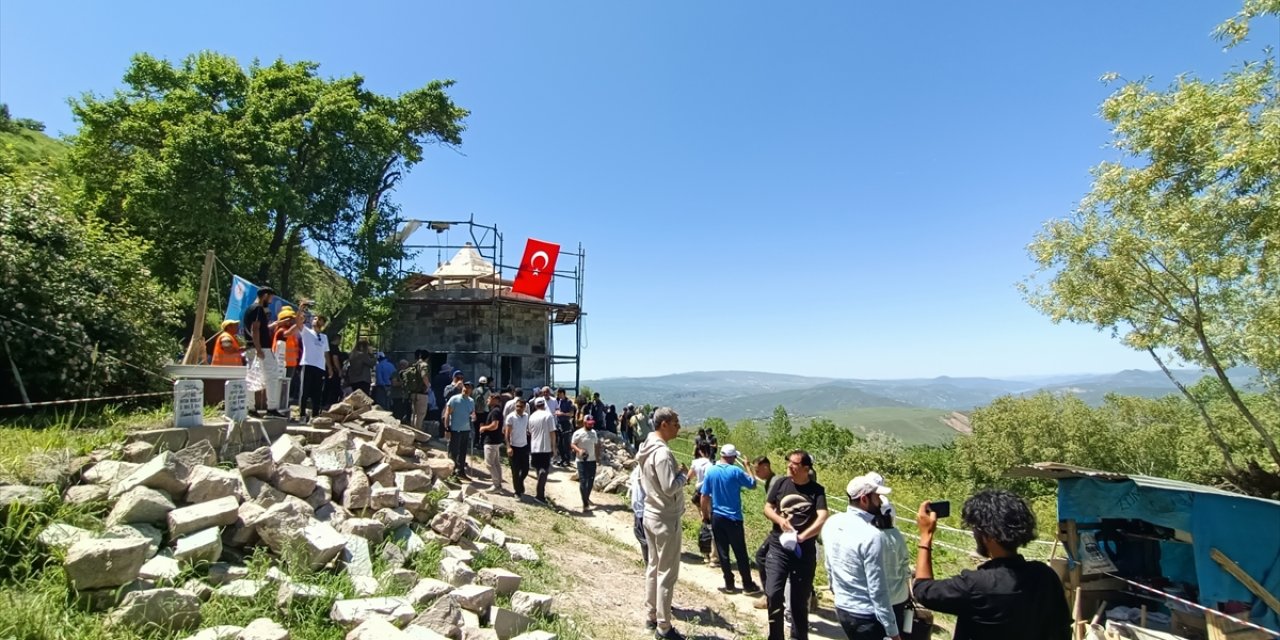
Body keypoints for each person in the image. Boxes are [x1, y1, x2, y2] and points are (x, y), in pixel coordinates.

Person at [912, 490, 1071, 640]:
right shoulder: (1045, 575)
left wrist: (926, 536)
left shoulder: (976, 585)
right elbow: (1062, 627)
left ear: (988, 535)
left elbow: (923, 590)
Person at [823, 474, 901, 640]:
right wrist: (893, 631)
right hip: (867, 615)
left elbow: (829, 565)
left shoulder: (832, 522)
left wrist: (835, 591)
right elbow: (877, 589)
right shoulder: (872, 535)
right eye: (877, 497)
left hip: (843, 607)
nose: (880, 502)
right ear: (864, 499)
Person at [763, 449, 830, 640]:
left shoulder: (817, 491)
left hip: (803, 550)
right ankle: (775, 636)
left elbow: (823, 516)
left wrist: (804, 536)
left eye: (795, 464)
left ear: (806, 468)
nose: (789, 466)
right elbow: (767, 507)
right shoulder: (781, 483)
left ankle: (799, 637)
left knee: (799, 601)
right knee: (773, 592)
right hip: (778, 545)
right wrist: (780, 520)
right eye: (789, 462)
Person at [638, 407, 690, 640]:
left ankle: (651, 615)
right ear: (664, 425)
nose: (679, 426)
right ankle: (664, 627)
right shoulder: (662, 453)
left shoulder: (646, 447)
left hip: (650, 512)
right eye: (676, 422)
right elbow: (669, 487)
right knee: (667, 573)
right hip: (665, 517)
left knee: (653, 567)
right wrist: (684, 477)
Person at [699, 444, 761, 595]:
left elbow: (704, 496)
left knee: (722, 551)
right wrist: (747, 467)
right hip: (734, 517)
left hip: (717, 516)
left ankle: (729, 583)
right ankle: (747, 584)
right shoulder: (736, 471)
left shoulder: (711, 471)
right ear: (732, 457)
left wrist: (705, 516)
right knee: (740, 552)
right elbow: (753, 484)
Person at [751, 456, 780, 609]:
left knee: (761, 557)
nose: (756, 473)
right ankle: (811, 597)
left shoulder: (775, 481)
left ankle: (768, 596)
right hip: (780, 528)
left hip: (781, 529)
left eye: (757, 470)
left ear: (766, 467)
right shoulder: (772, 481)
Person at [297, 314, 333, 423]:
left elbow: (326, 353)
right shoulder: (307, 332)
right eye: (316, 318)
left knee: (317, 393)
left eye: (321, 319)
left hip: (320, 367)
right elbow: (298, 323)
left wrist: (330, 368)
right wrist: (301, 310)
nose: (317, 321)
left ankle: (315, 415)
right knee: (304, 391)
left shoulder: (324, 337)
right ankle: (302, 415)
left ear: (323, 324)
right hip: (307, 364)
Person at [270, 306, 302, 418]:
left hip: (290, 365)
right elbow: (288, 333)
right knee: (280, 388)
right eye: (290, 319)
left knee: (286, 389)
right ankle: (278, 408)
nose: (292, 321)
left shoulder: (291, 333)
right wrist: (298, 322)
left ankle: (284, 407)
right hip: (281, 365)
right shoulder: (281, 331)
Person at [443, 380, 476, 481]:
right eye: (465, 387)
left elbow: (472, 413)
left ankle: (461, 471)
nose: (466, 389)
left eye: (469, 387)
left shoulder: (471, 401)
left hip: (466, 429)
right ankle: (451, 472)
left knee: (463, 452)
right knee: (454, 451)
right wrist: (446, 427)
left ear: (471, 390)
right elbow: (447, 413)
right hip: (455, 429)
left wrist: (473, 417)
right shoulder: (454, 399)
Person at [527, 397, 557, 504]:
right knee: (544, 470)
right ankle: (540, 495)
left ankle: (540, 494)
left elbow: (530, 431)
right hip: (545, 447)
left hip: (534, 447)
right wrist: (554, 447)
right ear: (544, 405)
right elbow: (552, 433)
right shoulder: (548, 416)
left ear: (535, 406)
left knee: (538, 469)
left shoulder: (531, 417)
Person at [571, 414, 602, 512]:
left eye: (592, 424)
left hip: (592, 460)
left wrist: (598, 457)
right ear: (584, 423)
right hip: (581, 461)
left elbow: (596, 445)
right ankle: (585, 503)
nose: (591, 425)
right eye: (589, 424)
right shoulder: (578, 433)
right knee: (583, 481)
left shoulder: (594, 433)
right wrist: (579, 450)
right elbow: (572, 444)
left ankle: (586, 497)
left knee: (590, 481)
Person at [478, 394, 506, 494]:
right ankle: (498, 483)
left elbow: (494, 426)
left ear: (496, 400)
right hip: (495, 440)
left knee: (489, 464)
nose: (488, 400)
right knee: (496, 463)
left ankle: (496, 484)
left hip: (491, 441)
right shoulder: (496, 411)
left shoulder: (495, 411)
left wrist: (483, 428)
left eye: (490, 398)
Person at [504, 397, 531, 497]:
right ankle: (517, 491)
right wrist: (508, 447)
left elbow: (526, 428)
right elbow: (507, 433)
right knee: (515, 470)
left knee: (525, 469)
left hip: (523, 446)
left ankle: (520, 483)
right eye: (517, 406)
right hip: (514, 447)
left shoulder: (526, 416)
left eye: (521, 406)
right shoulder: (511, 417)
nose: (518, 408)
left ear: (524, 407)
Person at [402, 350, 433, 433]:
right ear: (427, 357)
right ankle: (417, 433)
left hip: (413, 393)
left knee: (414, 414)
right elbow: (424, 375)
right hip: (422, 394)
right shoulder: (424, 365)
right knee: (421, 414)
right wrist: (428, 385)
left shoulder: (415, 365)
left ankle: (412, 432)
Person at [629, 465, 649, 564]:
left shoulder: (641, 467)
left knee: (644, 538)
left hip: (644, 509)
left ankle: (649, 564)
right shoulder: (642, 467)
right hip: (641, 509)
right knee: (641, 536)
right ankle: (649, 563)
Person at [553, 388, 575, 466]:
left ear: (563, 393)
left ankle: (567, 460)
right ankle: (562, 459)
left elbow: (571, 414)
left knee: (566, 443)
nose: (558, 395)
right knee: (559, 443)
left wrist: (562, 414)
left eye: (559, 394)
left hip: (566, 423)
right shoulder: (557, 401)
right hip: (558, 423)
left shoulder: (568, 402)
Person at [471, 376, 492, 452]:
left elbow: (472, 400)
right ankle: (482, 443)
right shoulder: (488, 391)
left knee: (476, 429)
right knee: (483, 428)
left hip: (476, 411)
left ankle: (475, 443)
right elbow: (489, 401)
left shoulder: (474, 391)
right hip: (485, 411)